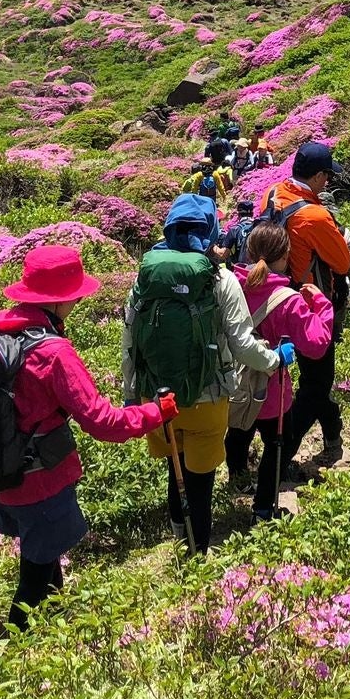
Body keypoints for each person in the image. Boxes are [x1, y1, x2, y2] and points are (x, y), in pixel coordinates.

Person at [0, 245, 176, 629]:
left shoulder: (0, 332)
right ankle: (12, 649)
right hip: (40, 479)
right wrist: (156, 412)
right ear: (60, 299)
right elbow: (101, 422)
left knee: (41, 555)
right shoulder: (53, 352)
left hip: (0, 472)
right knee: (33, 578)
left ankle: (50, 627)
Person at [128, 193, 293, 552]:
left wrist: (131, 396)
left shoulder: (146, 277)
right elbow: (244, 345)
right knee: (200, 482)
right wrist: (275, 360)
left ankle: (178, 539)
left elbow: (130, 342)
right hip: (208, 397)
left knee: (176, 470)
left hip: (156, 398)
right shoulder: (221, 279)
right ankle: (197, 555)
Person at [223, 222, 335, 524]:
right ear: (285, 256)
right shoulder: (289, 299)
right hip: (272, 391)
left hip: (235, 385)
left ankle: (238, 479)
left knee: (237, 432)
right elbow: (315, 346)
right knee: (275, 447)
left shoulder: (230, 285)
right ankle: (263, 509)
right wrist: (322, 306)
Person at [262, 141, 350, 469]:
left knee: (307, 381)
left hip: (273, 301)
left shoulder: (274, 194)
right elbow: (342, 264)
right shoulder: (313, 215)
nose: (328, 181)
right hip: (309, 307)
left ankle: (332, 434)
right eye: (326, 175)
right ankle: (279, 459)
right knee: (316, 385)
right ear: (316, 176)